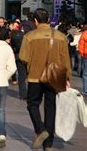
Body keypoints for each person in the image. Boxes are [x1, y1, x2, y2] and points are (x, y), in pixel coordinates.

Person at [19, 8, 71, 150]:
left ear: (35, 21)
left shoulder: (29, 36)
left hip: (35, 77)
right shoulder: (61, 36)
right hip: (54, 77)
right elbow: (66, 59)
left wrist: (33, 62)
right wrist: (67, 77)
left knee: (32, 104)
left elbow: (23, 57)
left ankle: (41, 129)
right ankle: (48, 145)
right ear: (48, 20)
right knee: (50, 107)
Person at [9, 21, 27, 100]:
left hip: (17, 56)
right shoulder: (26, 33)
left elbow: (12, 45)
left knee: (21, 76)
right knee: (26, 75)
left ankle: (23, 94)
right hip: (27, 56)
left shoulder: (13, 34)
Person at [77, 21, 87, 95]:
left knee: (85, 74)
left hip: (86, 55)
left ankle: (85, 90)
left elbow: (81, 45)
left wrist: (81, 54)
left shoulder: (84, 34)